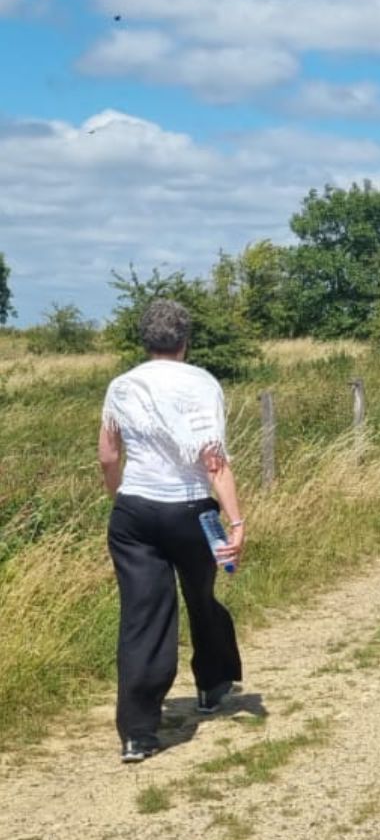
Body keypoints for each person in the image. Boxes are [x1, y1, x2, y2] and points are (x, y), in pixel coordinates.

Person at [98, 300, 245, 764]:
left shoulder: (122, 385)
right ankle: (213, 682)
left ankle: (138, 733)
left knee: (143, 615)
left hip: (136, 510)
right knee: (200, 596)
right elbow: (213, 461)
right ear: (185, 340)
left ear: (145, 339)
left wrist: (118, 495)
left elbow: (107, 454)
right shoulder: (202, 383)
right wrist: (236, 520)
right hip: (190, 508)